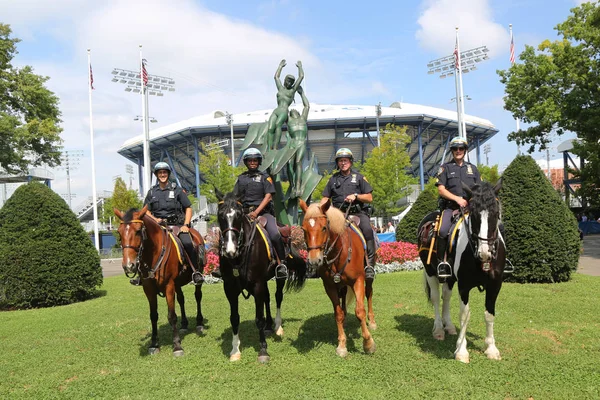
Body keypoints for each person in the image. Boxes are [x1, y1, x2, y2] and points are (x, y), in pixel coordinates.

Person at [131, 162, 203, 286]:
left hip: (177, 225)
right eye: (160, 173)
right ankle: (140, 274)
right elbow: (145, 211)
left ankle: (195, 272)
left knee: (187, 243)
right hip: (158, 227)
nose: (162, 175)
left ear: (168, 174)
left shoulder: (177, 190)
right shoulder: (152, 192)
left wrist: (186, 225)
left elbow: (188, 208)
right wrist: (154, 219)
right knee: (143, 243)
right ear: (156, 175)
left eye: (164, 172)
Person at [320, 148, 376, 280]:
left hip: (358, 213)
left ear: (350, 162)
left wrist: (356, 196)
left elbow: (369, 197)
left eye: (345, 160)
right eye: (340, 161)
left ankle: (369, 266)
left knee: (367, 230)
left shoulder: (360, 178)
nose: (343, 163)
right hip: (338, 215)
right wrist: (319, 207)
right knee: (323, 233)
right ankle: (320, 264)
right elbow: (325, 197)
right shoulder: (332, 179)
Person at [234, 148, 288, 279]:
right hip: (245, 214)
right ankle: (229, 265)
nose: (252, 162)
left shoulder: (265, 177)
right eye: (250, 160)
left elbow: (268, 196)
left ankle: (282, 264)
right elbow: (236, 198)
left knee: (275, 234)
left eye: (255, 160)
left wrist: (256, 212)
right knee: (230, 233)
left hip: (264, 214)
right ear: (246, 162)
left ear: (259, 162)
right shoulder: (241, 179)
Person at [435, 136, 481, 279]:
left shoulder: (473, 169)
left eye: (461, 148)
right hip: (451, 208)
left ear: (465, 150)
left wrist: (472, 201)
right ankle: (443, 264)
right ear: (452, 151)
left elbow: (479, 189)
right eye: (455, 149)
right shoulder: (445, 168)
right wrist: (457, 199)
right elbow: (441, 189)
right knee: (442, 230)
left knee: (490, 225)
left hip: (471, 208)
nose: (458, 151)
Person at [266, 59, 304, 152]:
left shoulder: (292, 91)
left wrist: (300, 67)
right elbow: (276, 77)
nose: (289, 83)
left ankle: (275, 147)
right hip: (276, 110)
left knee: (278, 125)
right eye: (288, 81)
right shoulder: (280, 88)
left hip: (284, 111)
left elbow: (301, 76)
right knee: (270, 128)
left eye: (291, 82)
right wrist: (280, 66)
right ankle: (269, 148)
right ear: (285, 81)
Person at [285, 85, 309, 198]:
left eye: (295, 109)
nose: (293, 109)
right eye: (291, 110)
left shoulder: (303, 118)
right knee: (289, 165)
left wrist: (301, 93)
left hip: (301, 143)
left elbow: (307, 106)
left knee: (298, 162)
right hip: (292, 143)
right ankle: (292, 186)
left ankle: (298, 187)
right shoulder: (289, 120)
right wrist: (289, 94)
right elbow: (283, 107)